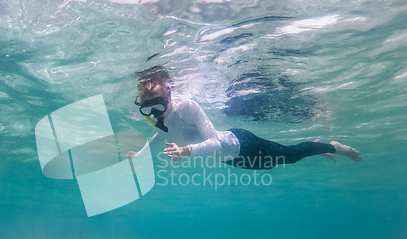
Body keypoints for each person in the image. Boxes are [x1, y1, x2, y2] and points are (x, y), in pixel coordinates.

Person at [128, 66, 361, 170]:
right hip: (231, 160)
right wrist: (139, 156)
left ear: (169, 95)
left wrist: (185, 151)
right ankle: (318, 148)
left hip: (241, 144)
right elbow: (160, 135)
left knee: (289, 157)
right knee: (283, 160)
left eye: (158, 105)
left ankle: (331, 146)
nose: (155, 113)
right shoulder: (162, 119)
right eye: (148, 109)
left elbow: (216, 142)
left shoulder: (187, 107)